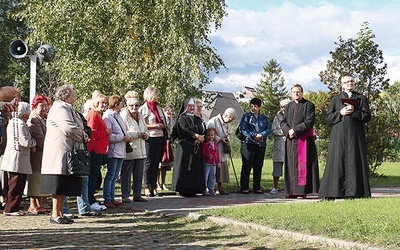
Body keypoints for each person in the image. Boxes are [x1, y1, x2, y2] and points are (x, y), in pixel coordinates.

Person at [318, 74, 372, 199]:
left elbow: (367, 116)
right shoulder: (336, 99)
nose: (350, 83)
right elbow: (328, 117)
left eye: (351, 81)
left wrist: (355, 112)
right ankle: (334, 192)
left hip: (355, 135)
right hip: (339, 135)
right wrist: (340, 113)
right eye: (346, 82)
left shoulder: (361, 98)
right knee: (337, 160)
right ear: (341, 85)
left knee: (355, 159)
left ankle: (356, 192)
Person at [41, 84, 89, 224]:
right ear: (66, 96)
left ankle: (61, 212)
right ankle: (55, 214)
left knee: (64, 185)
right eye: (73, 96)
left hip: (66, 151)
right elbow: (68, 127)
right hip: (59, 152)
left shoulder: (67, 108)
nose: (74, 99)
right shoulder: (60, 108)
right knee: (58, 184)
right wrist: (83, 135)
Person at [280, 84, 319, 199]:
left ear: (302, 93)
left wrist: (295, 131)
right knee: (291, 165)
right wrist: (288, 131)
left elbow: (309, 122)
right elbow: (283, 122)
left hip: (304, 141)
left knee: (303, 166)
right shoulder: (288, 107)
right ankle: (291, 191)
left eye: (298, 92)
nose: (296, 94)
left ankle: (302, 191)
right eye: (294, 92)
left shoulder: (309, 105)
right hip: (291, 141)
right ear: (291, 94)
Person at [1, 102, 36, 216]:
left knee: (16, 184)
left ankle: (12, 207)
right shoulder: (19, 124)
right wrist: (34, 143)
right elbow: (25, 141)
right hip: (17, 158)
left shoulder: (14, 122)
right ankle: (10, 209)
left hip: (16, 158)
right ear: (25, 113)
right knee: (15, 185)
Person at [171, 98, 206, 197]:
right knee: (185, 168)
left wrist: (201, 138)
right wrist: (195, 135)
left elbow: (203, 130)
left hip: (196, 147)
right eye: (189, 106)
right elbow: (183, 130)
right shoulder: (182, 118)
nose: (191, 108)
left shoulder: (197, 118)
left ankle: (193, 189)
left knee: (195, 168)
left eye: (193, 106)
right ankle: (183, 189)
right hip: (185, 148)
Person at [103, 95, 131, 208]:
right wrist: (121, 137)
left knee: (115, 175)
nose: (122, 106)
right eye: (120, 104)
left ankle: (112, 197)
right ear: (116, 104)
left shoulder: (118, 117)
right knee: (110, 175)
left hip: (121, 149)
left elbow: (123, 131)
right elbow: (109, 136)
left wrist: (127, 137)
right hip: (113, 150)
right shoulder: (108, 117)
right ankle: (107, 198)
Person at [139, 86, 167, 197]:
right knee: (148, 162)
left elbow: (164, 121)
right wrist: (154, 125)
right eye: (157, 95)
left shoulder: (158, 109)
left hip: (160, 138)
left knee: (156, 163)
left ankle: (154, 186)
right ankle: (146, 186)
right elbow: (141, 125)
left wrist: (163, 126)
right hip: (149, 138)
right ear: (151, 95)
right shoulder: (143, 109)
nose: (158, 97)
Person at [238, 98, 270, 194]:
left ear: (259, 107)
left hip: (261, 144)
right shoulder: (246, 116)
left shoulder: (264, 118)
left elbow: (268, 129)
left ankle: (257, 187)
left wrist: (261, 135)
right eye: (251, 106)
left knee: (258, 165)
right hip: (248, 144)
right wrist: (253, 135)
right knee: (247, 165)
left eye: (255, 106)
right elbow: (243, 129)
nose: (253, 108)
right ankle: (244, 187)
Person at [120, 91, 148, 203]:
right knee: (126, 173)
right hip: (130, 149)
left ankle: (137, 194)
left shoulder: (141, 116)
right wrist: (138, 134)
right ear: (127, 105)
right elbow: (123, 132)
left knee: (138, 173)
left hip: (141, 148)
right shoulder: (124, 116)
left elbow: (145, 129)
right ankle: (125, 195)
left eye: (136, 105)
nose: (134, 107)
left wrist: (146, 135)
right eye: (131, 105)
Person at [86, 94, 110, 211]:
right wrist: (106, 132)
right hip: (93, 150)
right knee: (92, 177)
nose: (104, 105)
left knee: (95, 176)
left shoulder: (99, 115)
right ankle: (90, 201)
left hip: (99, 150)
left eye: (105, 103)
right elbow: (92, 133)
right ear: (96, 104)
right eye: (102, 103)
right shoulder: (93, 115)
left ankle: (92, 199)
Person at [27, 95, 50, 214]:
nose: (45, 108)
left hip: (44, 154)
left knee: (40, 179)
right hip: (38, 154)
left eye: (46, 105)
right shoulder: (34, 119)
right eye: (42, 106)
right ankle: (33, 204)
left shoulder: (44, 118)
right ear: (35, 106)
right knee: (35, 178)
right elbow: (40, 139)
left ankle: (40, 203)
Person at [206, 108, 237, 195]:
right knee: (212, 169)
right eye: (230, 119)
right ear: (226, 115)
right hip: (212, 149)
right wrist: (220, 139)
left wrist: (227, 140)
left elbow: (229, 133)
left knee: (221, 169)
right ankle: (210, 187)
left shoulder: (227, 124)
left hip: (222, 151)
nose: (229, 121)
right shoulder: (213, 121)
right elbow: (209, 134)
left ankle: (220, 187)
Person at [270, 99, 291, 195]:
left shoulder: (292, 116)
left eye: (285, 107)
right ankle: (275, 187)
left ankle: (289, 187)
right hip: (279, 144)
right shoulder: (276, 118)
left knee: (290, 167)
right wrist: (283, 132)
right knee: (277, 167)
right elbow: (274, 130)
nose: (283, 109)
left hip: (289, 143)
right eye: (282, 107)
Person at [157, 106, 175, 191]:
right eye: (167, 113)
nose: (169, 115)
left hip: (168, 144)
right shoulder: (161, 121)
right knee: (158, 165)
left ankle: (163, 183)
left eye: (170, 113)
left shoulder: (173, 122)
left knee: (165, 165)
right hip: (161, 143)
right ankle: (157, 183)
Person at [202, 128, 220, 196]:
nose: (210, 137)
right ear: (206, 136)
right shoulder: (205, 144)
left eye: (212, 135)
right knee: (205, 176)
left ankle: (211, 188)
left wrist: (218, 162)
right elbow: (203, 153)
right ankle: (204, 188)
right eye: (209, 135)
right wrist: (207, 155)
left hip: (214, 163)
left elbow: (217, 154)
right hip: (207, 162)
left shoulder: (215, 144)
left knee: (212, 176)